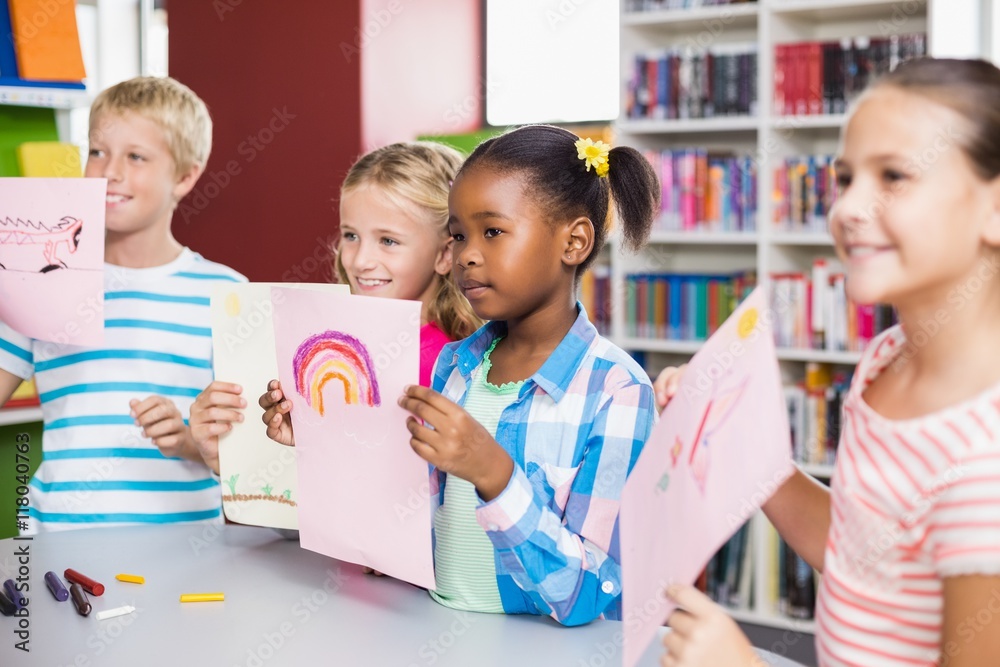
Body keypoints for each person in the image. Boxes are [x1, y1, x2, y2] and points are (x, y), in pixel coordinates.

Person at [656, 58, 1000, 666]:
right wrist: (734, 438)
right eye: (845, 179)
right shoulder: (886, 360)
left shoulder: (985, 457)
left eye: (894, 176)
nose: (846, 209)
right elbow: (858, 549)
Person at [386, 124, 659, 625]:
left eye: (492, 231)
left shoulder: (618, 392)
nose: (466, 254)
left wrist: (495, 474)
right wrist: (321, 437)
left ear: (573, 242)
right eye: (459, 235)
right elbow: (407, 516)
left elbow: (586, 593)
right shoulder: (455, 366)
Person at [0, 76, 245, 532]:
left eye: (136, 157)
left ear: (185, 177)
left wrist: (189, 442)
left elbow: (251, 463)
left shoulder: (227, 294)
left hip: (189, 546)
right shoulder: (41, 275)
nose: (110, 171)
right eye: (97, 152)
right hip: (56, 540)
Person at [192, 142, 481, 470]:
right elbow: (308, 482)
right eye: (350, 235)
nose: (361, 260)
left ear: (444, 255)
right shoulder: (322, 351)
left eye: (388, 241)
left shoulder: (452, 364)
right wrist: (221, 453)